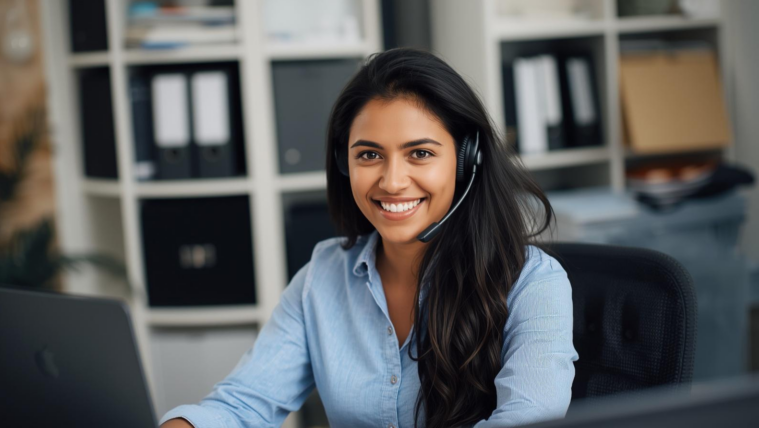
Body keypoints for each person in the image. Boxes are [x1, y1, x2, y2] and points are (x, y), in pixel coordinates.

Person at [160, 47, 578, 428]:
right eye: (369, 155)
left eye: (420, 153)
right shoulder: (323, 278)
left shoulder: (533, 283)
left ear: (467, 161)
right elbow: (240, 406)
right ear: (345, 163)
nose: (392, 182)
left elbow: (526, 421)